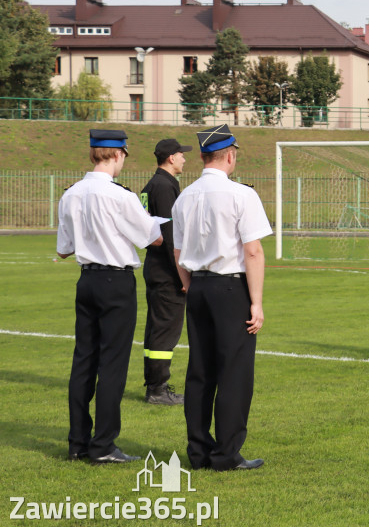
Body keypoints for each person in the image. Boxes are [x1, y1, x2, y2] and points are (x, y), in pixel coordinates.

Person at [57, 129, 163, 463]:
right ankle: (103, 445)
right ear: (118, 155)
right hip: (115, 281)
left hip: (86, 279)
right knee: (113, 363)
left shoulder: (71, 194)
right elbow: (153, 239)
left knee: (83, 361)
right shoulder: (121, 196)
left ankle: (77, 442)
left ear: (93, 154)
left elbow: (64, 249)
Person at [172, 124, 272, 471]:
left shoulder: (184, 196)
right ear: (230, 156)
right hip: (230, 288)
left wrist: (189, 285)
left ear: (201, 157)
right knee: (234, 372)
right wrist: (256, 302)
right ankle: (226, 454)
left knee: (200, 371)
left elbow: (178, 252)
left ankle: (198, 453)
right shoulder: (241, 194)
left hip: (197, 286)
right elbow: (253, 251)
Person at [140, 138, 193, 405]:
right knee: (166, 330)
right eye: (181, 155)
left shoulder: (153, 184)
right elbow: (171, 236)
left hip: (155, 267)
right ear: (171, 158)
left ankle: (154, 385)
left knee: (155, 329)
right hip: (166, 271)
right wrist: (182, 275)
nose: (185, 158)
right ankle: (158, 390)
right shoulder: (163, 187)